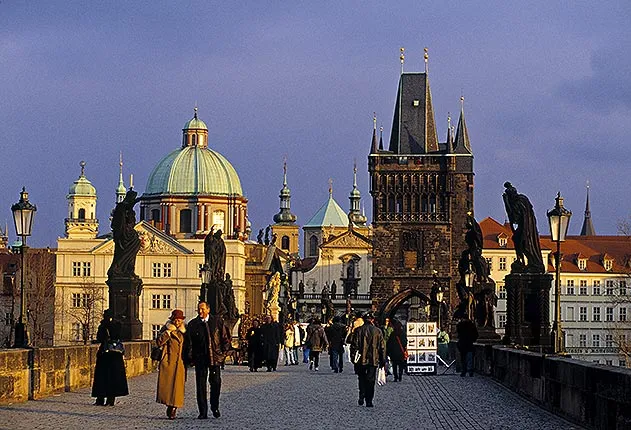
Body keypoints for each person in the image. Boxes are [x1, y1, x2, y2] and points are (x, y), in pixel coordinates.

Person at [185, 302, 231, 419]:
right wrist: (191, 358)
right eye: (199, 309)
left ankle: (214, 406)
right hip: (200, 359)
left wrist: (223, 354)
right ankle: (203, 411)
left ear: (208, 309)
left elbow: (225, 339)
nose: (200, 312)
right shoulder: (193, 324)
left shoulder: (217, 322)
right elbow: (189, 344)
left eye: (203, 309)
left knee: (215, 383)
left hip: (215, 358)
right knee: (200, 386)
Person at [91, 309, 129, 406]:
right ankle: (110, 400)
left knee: (102, 377)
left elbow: (100, 338)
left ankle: (100, 399)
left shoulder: (104, 325)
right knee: (114, 377)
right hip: (116, 354)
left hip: (105, 354)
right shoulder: (119, 325)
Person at [155, 309, 187, 419]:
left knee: (178, 387)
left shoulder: (185, 331)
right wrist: (167, 333)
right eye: (176, 320)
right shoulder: (166, 329)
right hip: (168, 361)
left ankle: (174, 407)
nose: (177, 322)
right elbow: (159, 342)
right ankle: (169, 404)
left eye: (179, 320)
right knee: (168, 386)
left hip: (180, 362)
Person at [350, 312, 385, 407]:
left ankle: (361, 395)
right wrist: (383, 360)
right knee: (371, 380)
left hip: (361, 359)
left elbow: (354, 346)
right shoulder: (378, 331)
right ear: (372, 320)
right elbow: (382, 347)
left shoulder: (358, 330)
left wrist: (353, 358)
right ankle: (369, 400)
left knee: (361, 378)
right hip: (373, 359)